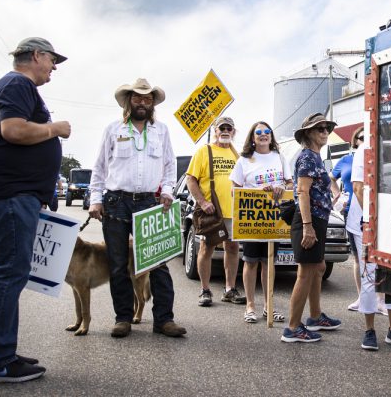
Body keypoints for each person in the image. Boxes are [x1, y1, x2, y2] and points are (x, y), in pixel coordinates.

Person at [0, 37, 71, 384]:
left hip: (8, 196)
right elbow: (12, 130)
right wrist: (55, 129)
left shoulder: (17, 86)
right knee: (8, 274)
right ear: (37, 56)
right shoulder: (16, 83)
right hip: (9, 196)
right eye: (52, 60)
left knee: (1, 274)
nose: (54, 67)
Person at [88, 78, 185, 339]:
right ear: (129, 100)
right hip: (116, 202)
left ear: (152, 103)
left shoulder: (161, 130)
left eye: (148, 98)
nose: (143, 102)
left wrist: (166, 191)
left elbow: (169, 165)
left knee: (158, 264)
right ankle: (123, 318)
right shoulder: (113, 129)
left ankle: (164, 319)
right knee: (118, 264)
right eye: (138, 98)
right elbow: (99, 167)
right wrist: (95, 199)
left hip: (149, 203)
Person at [281, 113, 342, 343]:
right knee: (306, 272)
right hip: (309, 220)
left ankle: (315, 317)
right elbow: (302, 192)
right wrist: (308, 227)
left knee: (318, 267)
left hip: (318, 219)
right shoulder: (307, 158)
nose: (325, 132)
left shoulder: (316, 157)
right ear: (309, 133)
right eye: (320, 129)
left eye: (327, 128)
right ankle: (292, 328)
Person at [230, 121, 293, 323]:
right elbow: (234, 189)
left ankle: (269, 306)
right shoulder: (244, 160)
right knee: (250, 261)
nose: (264, 135)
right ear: (253, 137)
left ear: (271, 136)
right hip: (252, 219)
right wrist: (258, 190)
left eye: (267, 132)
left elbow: (290, 182)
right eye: (259, 132)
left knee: (269, 263)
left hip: (274, 220)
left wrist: (281, 186)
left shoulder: (280, 158)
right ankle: (250, 306)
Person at [352, 140, 391, 351]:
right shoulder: (364, 148)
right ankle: (369, 330)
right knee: (370, 275)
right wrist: (374, 223)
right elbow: (358, 188)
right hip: (370, 224)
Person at [185, 115, 245, 307]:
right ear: (215, 131)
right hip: (211, 212)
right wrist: (202, 202)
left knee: (233, 248)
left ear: (233, 132)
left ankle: (229, 289)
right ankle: (205, 290)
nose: (225, 131)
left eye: (229, 128)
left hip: (233, 212)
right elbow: (191, 179)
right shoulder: (204, 151)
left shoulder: (238, 155)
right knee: (206, 248)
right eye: (222, 128)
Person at [331, 126, 363, 311]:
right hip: (351, 211)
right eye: (361, 137)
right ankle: (361, 297)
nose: (365, 140)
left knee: (377, 260)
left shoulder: (376, 157)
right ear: (355, 141)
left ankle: (379, 300)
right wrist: (338, 195)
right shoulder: (346, 160)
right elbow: (331, 179)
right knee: (358, 258)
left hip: (374, 212)